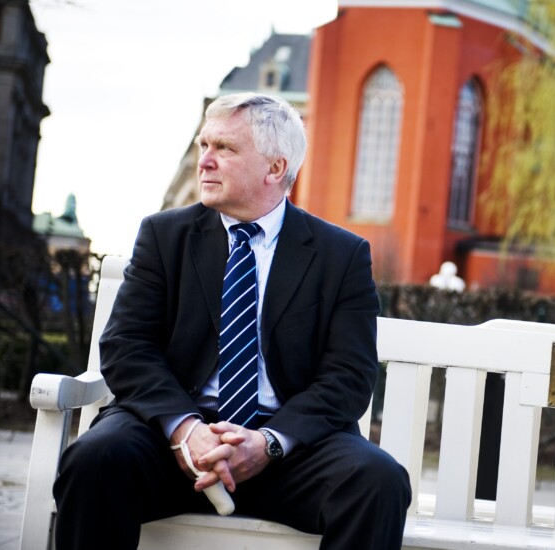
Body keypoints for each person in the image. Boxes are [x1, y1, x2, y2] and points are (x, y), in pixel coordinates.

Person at [53, 93, 411, 549]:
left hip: (287, 453)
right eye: (204, 145)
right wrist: (186, 430)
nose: (205, 161)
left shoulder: (341, 255)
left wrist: (269, 443)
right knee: (95, 459)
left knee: (378, 481)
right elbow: (128, 346)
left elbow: (349, 375)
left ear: (275, 168)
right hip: (168, 441)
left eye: (224, 148)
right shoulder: (164, 236)